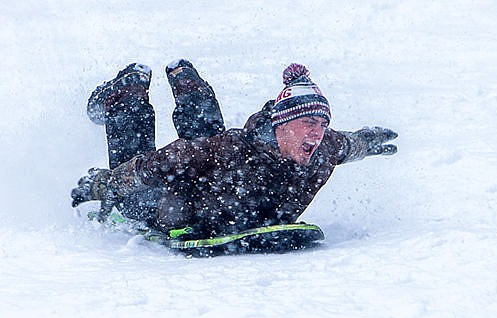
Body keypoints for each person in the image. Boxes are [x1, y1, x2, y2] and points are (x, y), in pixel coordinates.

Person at [71, 60, 397, 238]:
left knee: (205, 141)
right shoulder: (235, 151)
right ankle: (127, 92)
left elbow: (345, 145)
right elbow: (158, 164)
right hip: (165, 200)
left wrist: (366, 141)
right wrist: (109, 183)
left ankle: (184, 75)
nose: (318, 131)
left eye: (323, 123)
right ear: (282, 124)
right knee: (141, 192)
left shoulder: (320, 147)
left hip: (208, 189)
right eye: (309, 122)